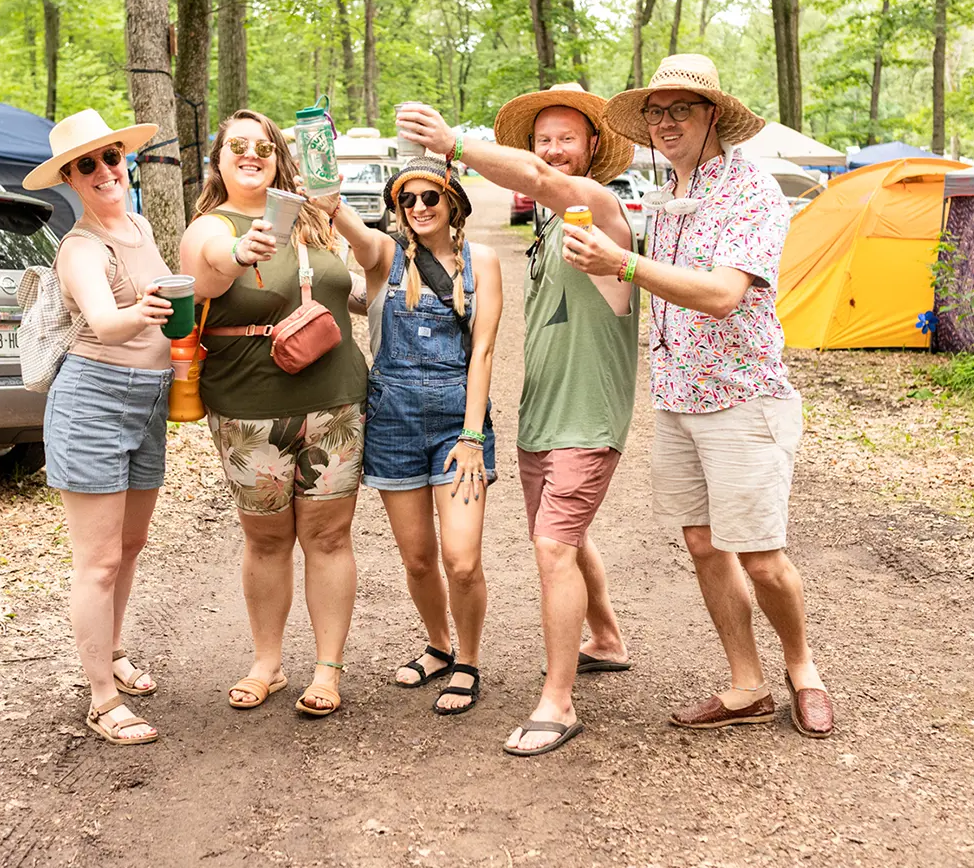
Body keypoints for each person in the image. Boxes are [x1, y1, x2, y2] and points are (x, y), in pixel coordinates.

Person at [562, 53, 834, 738]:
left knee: (762, 555)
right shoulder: (667, 197)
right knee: (702, 543)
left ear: (712, 115)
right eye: (654, 112)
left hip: (743, 396)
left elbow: (720, 295)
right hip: (678, 396)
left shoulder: (751, 192)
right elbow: (648, 293)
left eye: (678, 109)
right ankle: (746, 683)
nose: (663, 123)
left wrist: (621, 260)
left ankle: (802, 669)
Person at [397, 86, 639, 755]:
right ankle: (607, 639)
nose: (553, 149)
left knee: (554, 548)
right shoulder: (554, 227)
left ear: (593, 146)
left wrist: (451, 144)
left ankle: (557, 704)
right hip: (546, 416)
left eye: (567, 137)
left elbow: (536, 180)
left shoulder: (600, 206)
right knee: (563, 534)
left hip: (586, 420)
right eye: (543, 139)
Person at [178, 109, 368, 718]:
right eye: (237, 146)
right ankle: (268, 662)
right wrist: (240, 250)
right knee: (265, 541)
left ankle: (327, 670)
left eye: (264, 145)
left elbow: (362, 280)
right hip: (248, 408)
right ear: (218, 159)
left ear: (280, 156)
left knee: (330, 535)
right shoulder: (209, 226)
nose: (251, 153)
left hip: (336, 401)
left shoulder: (314, 218)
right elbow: (208, 270)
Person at [310, 154, 501, 715]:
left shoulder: (482, 260)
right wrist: (332, 204)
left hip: (456, 429)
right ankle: (439, 645)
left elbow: (483, 351)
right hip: (392, 422)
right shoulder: (385, 257)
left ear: (453, 203)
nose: (418, 208)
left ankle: (468, 659)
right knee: (418, 559)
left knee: (461, 558)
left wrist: (470, 435)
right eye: (406, 200)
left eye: (430, 198)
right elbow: (349, 227)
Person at [22, 109, 177, 745]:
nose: (103, 171)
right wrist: (145, 309)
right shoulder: (81, 246)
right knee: (98, 560)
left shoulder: (140, 226)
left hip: (149, 401)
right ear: (69, 179)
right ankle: (101, 698)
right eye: (85, 166)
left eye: (110, 157)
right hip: (93, 400)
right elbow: (108, 323)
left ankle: (111, 651)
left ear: (125, 160)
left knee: (131, 546)